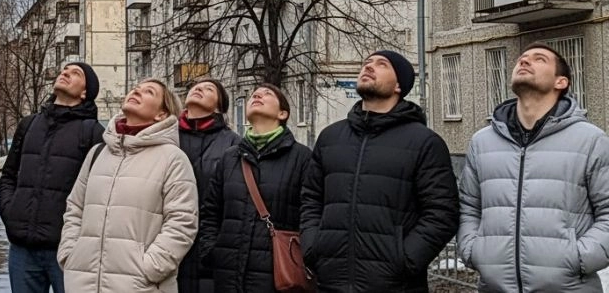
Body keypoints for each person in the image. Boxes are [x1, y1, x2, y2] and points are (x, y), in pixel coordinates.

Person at [300, 49, 459, 293]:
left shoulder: (424, 142)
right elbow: (311, 198)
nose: (369, 67)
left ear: (399, 86)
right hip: (332, 280)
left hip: (395, 285)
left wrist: (405, 259)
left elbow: (442, 213)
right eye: (366, 62)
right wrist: (313, 247)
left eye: (381, 64)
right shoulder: (331, 137)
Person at [458, 42, 609, 292]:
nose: (524, 61)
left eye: (539, 59)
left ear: (561, 82)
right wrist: (474, 251)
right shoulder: (482, 141)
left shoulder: (591, 140)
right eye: (522, 58)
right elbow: (469, 208)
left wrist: (578, 257)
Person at [58, 78, 198, 293]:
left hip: (141, 286)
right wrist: (70, 254)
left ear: (161, 114)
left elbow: (182, 223)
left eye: (148, 91)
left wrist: (150, 268)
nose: (137, 91)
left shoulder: (172, 158)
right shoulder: (98, 153)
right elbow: (75, 208)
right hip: (82, 283)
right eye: (136, 88)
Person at [0, 61, 106, 293]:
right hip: (22, 248)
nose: (65, 73)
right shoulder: (29, 124)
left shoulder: (93, 132)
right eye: (63, 70)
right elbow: (8, 174)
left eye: (75, 73)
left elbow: (99, 192)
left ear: (86, 92)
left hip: (68, 250)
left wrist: (79, 236)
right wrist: (10, 211)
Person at [199, 84, 311, 293]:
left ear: (282, 113)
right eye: (254, 94)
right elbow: (211, 212)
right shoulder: (230, 157)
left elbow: (310, 214)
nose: (257, 95)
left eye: (268, 94)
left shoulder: (302, 158)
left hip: (278, 277)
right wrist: (212, 251)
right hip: (228, 275)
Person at [176, 77, 240, 293]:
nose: (199, 89)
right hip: (169, 245)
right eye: (195, 86)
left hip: (210, 247)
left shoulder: (232, 143)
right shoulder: (167, 136)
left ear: (219, 106)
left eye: (209, 88)